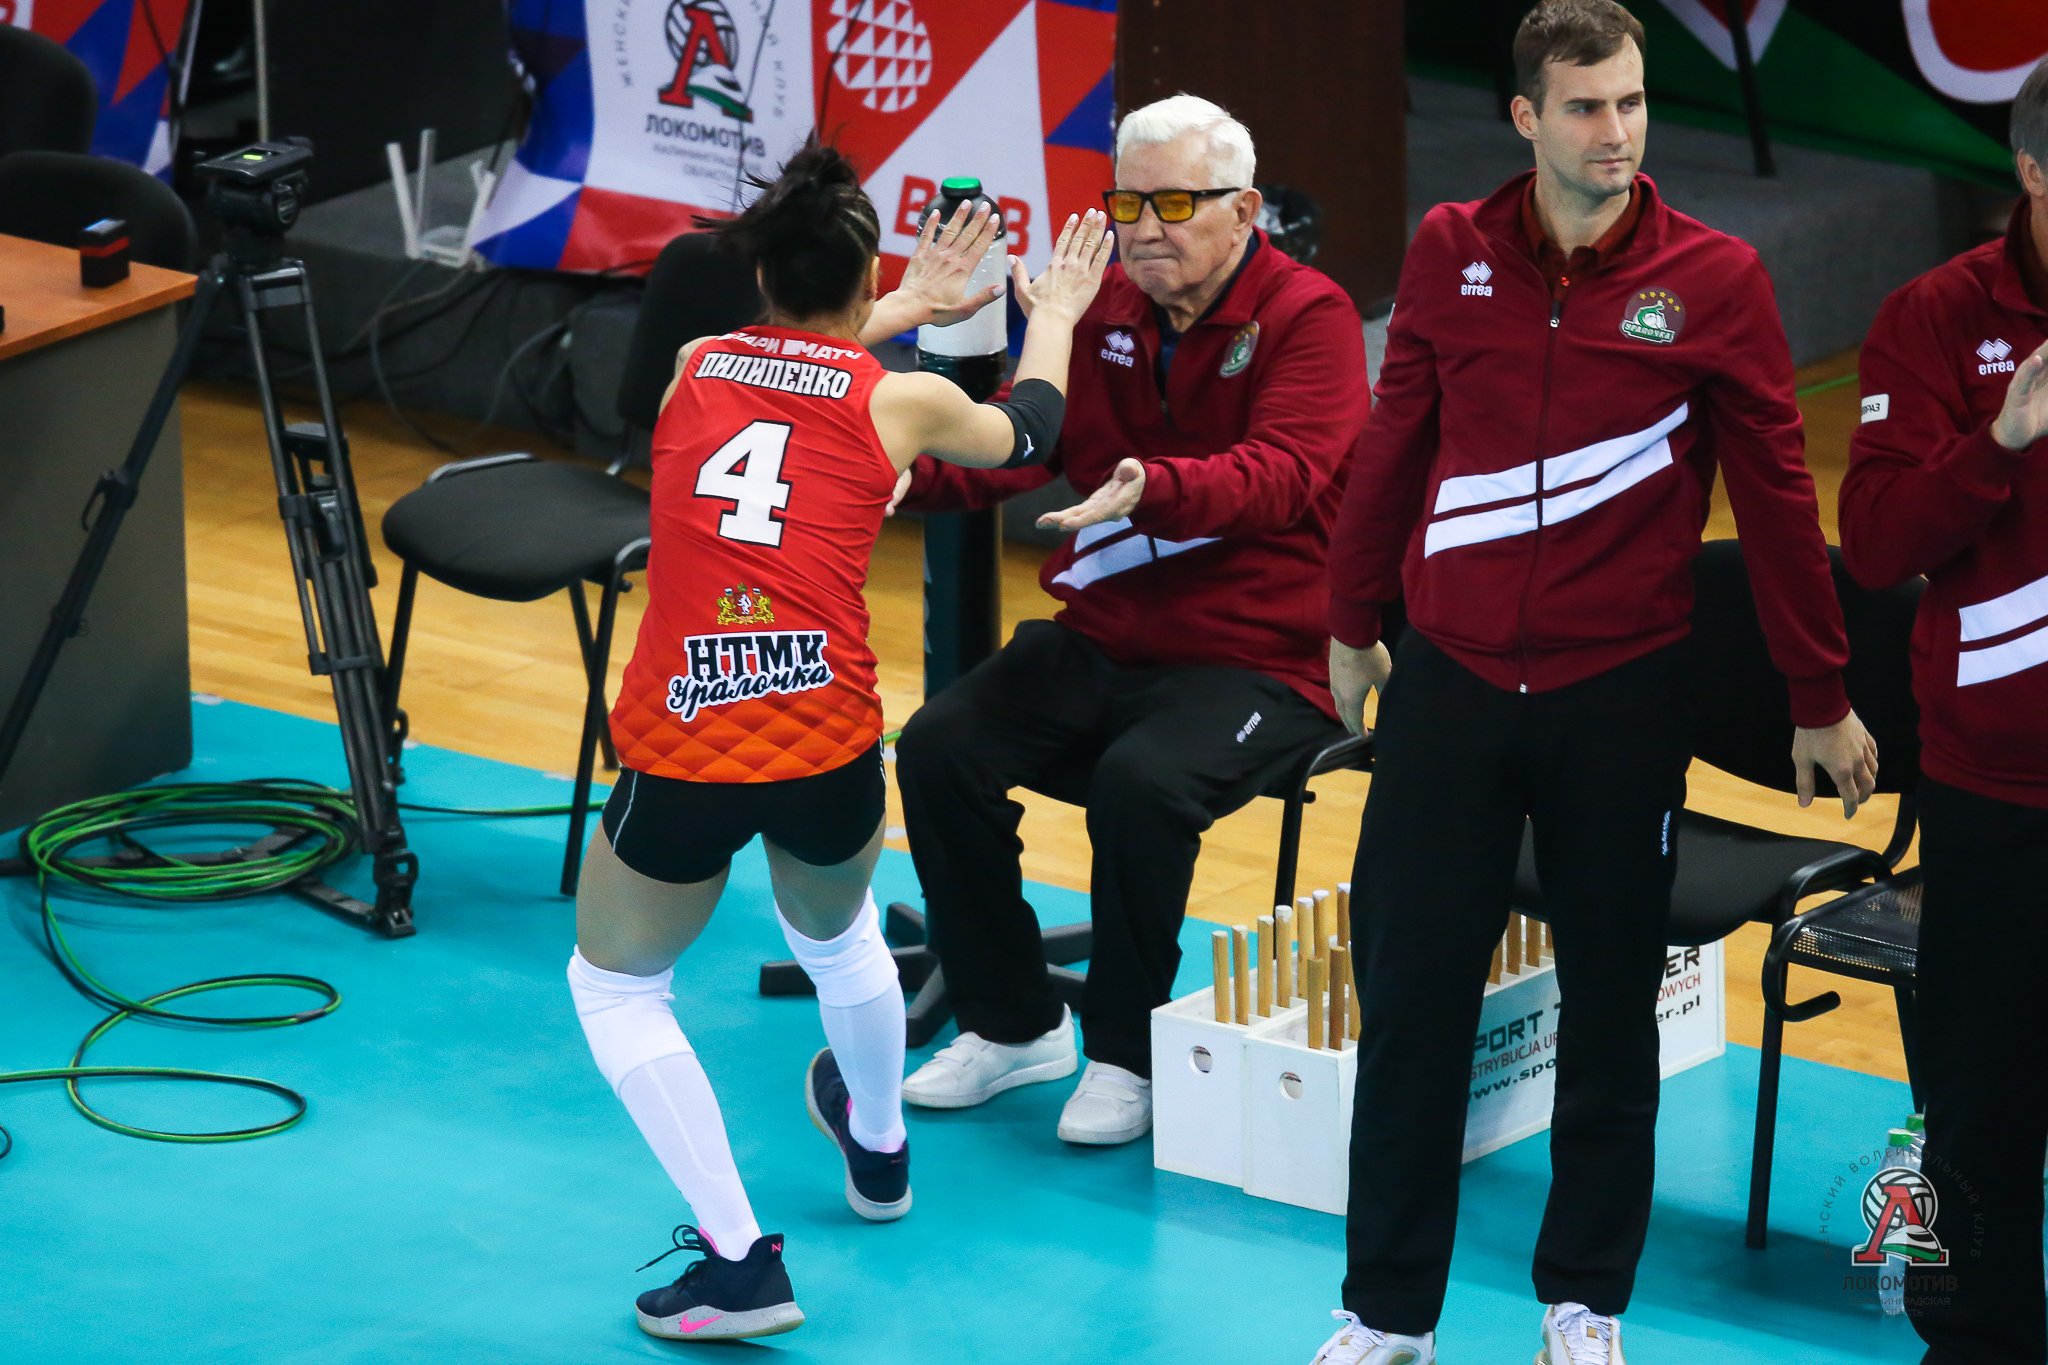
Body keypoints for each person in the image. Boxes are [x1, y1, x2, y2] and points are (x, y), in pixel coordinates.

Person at [1311, 4, 1878, 1363]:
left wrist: (1817, 689)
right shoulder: (1449, 251)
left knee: (1612, 1014)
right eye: (1583, 107)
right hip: (1448, 688)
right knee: (1411, 1010)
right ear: (1524, 118)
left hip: (1619, 700)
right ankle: (1385, 1315)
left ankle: (1583, 1303)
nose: (1615, 132)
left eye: (1629, 102)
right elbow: (1393, 446)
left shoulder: (1716, 278)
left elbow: (1777, 496)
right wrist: (1349, 618)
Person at [565, 140, 1112, 1342]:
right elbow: (1027, 429)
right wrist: (1056, 315)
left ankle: (736, 1262)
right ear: (866, 283)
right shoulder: (898, 401)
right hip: (827, 740)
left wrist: (898, 303)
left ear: (761, 273)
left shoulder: (694, 364)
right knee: (838, 933)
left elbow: (785, 362)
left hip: (689, 744)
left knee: (613, 986)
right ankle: (877, 1147)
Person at [889, 94, 1367, 1145]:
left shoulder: (1310, 317)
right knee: (937, 747)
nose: (1146, 227)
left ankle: (1124, 1052)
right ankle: (1013, 1024)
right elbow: (1023, 447)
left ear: (1244, 210)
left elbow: (1284, 476)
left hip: (1267, 655)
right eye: (1128, 202)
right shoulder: (1099, 308)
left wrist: (1156, 486)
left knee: (1140, 784)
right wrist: (899, 474)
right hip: (1107, 635)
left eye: (1176, 204)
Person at [1839, 56, 2048, 1365]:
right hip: (1994, 793)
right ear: (2031, 171)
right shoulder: (1934, 318)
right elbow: (1872, 544)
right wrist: (2000, 442)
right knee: (1979, 1110)